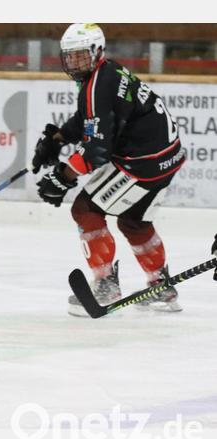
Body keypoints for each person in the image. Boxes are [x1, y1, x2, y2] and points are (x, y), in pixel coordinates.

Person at [31, 23, 185, 317]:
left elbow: (97, 149)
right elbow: (89, 119)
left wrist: (62, 177)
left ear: (97, 51)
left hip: (142, 163)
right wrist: (59, 139)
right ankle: (161, 287)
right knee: (133, 221)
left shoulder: (98, 84)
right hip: (168, 158)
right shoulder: (109, 73)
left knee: (85, 209)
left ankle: (105, 285)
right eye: (70, 56)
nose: (74, 62)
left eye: (81, 55)